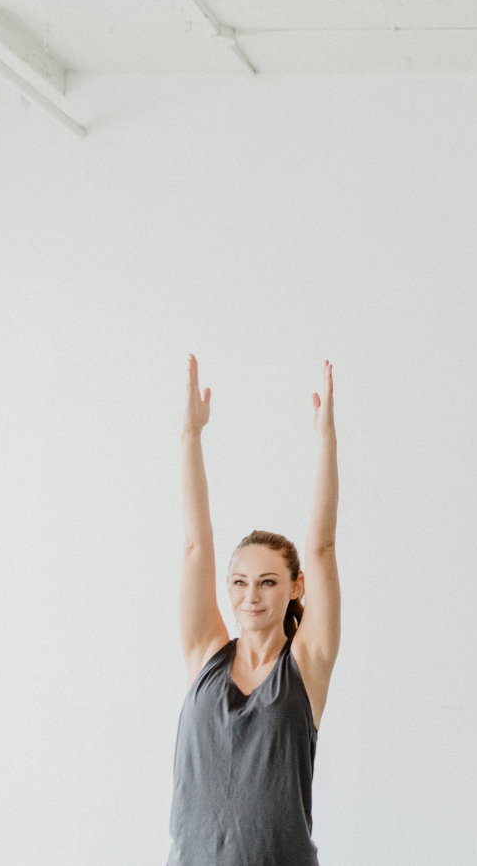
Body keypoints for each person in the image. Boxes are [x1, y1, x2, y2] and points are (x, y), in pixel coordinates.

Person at [169, 355, 342, 866]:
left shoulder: (306, 665)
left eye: (268, 582)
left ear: (295, 588)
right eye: (241, 582)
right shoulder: (205, 654)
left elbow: (323, 547)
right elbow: (195, 545)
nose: (251, 595)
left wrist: (326, 440)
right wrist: (189, 436)